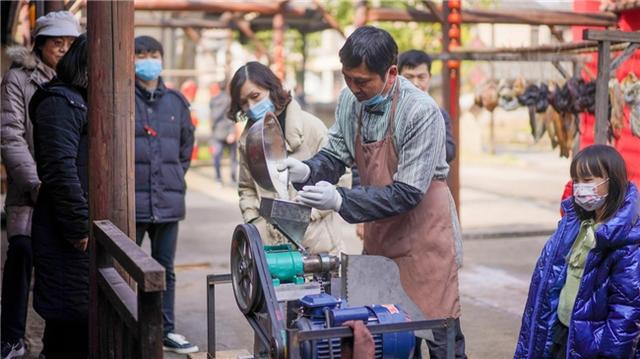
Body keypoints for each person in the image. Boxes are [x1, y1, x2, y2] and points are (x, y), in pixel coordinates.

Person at [278, 26, 466, 358]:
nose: (354, 88)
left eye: (363, 81)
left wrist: (341, 199)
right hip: (383, 230)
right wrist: (308, 169)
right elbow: (336, 153)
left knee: (438, 333)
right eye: (348, 78)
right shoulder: (352, 100)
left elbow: (408, 193)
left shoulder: (421, 112)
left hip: (424, 235)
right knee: (387, 334)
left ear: (391, 73)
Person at [0, 11, 80, 359]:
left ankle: (55, 341)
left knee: (63, 265)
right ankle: (12, 336)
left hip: (64, 191)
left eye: (69, 44)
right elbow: (10, 136)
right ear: (41, 44)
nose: (62, 49)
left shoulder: (78, 80)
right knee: (21, 252)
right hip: (29, 191)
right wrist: (37, 184)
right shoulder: (18, 79)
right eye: (56, 43)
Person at [514, 144, 640, 359]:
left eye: (588, 181)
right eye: (577, 181)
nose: (581, 188)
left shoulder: (627, 241)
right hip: (562, 331)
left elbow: (626, 311)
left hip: (591, 343)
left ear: (613, 181)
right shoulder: (575, 224)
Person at [230, 61, 345, 255]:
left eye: (255, 96)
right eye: (244, 102)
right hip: (272, 249)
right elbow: (246, 187)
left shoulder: (312, 128)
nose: (251, 106)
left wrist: (310, 214)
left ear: (272, 88)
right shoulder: (247, 142)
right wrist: (254, 223)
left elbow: (342, 178)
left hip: (318, 246)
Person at [133, 35, 197, 354]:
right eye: (140, 53)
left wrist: (172, 176)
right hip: (132, 203)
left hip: (169, 202)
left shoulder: (176, 102)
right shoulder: (122, 98)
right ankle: (130, 325)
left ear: (162, 57)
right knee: (127, 268)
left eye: (153, 53)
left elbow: (186, 147)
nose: (147, 59)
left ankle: (165, 329)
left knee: (165, 269)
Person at [28, 33, 89, 359]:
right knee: (70, 316)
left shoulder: (76, 100)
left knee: (74, 315)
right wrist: (78, 226)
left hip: (70, 228)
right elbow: (59, 170)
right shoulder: (60, 102)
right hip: (64, 232)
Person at [398, 50, 456, 163]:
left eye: (421, 77)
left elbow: (450, 152)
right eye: (409, 77)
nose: (415, 83)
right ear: (397, 77)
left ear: (429, 78)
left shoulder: (441, 114)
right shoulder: (389, 110)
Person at [210, 81, 238, 184]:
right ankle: (233, 177)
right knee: (233, 157)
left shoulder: (212, 100)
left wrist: (213, 130)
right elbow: (231, 117)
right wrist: (232, 132)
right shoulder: (229, 100)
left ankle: (218, 178)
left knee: (216, 156)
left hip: (217, 132)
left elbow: (212, 117)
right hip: (227, 131)